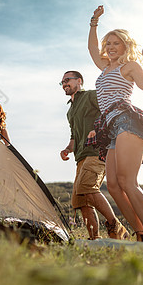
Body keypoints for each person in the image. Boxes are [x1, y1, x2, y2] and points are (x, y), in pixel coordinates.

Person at [87, 5, 143, 242]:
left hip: (127, 121)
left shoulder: (129, 66)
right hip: (110, 127)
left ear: (125, 46)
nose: (110, 47)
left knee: (127, 181)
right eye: (107, 43)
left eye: (115, 43)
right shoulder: (104, 67)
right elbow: (92, 49)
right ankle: (140, 233)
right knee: (112, 185)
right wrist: (94, 22)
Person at [59, 71, 128, 240]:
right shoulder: (70, 111)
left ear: (79, 81)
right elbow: (74, 135)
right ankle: (94, 239)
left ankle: (117, 228)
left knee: (88, 188)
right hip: (81, 157)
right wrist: (68, 148)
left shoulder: (90, 95)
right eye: (62, 82)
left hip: (98, 150)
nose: (64, 84)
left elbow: (109, 111)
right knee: (81, 201)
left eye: (67, 80)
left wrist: (97, 129)